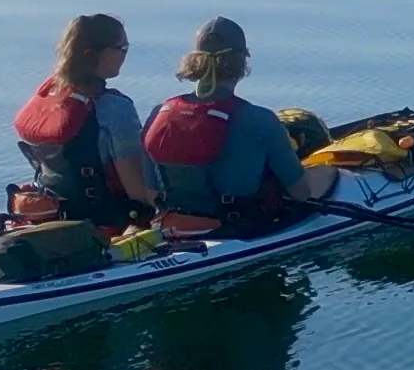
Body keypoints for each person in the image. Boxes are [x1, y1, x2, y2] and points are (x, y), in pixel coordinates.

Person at [140, 16, 344, 231]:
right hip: (237, 227)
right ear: (242, 61)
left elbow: (152, 194)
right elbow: (301, 193)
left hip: (173, 225)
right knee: (326, 173)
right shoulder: (260, 120)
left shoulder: (159, 113)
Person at [11, 13, 153, 229]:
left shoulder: (48, 98)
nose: (125, 56)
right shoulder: (115, 109)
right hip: (106, 220)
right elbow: (137, 191)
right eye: (124, 48)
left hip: (55, 214)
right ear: (104, 54)